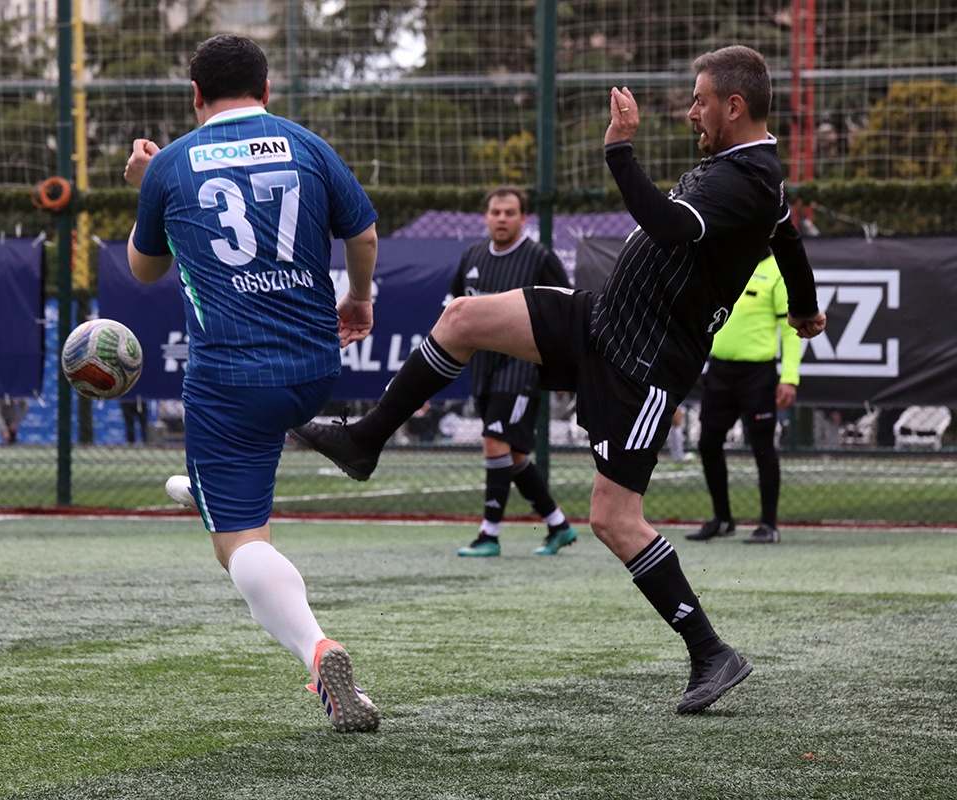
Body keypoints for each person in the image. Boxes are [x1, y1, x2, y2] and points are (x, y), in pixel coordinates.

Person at [292, 45, 827, 714]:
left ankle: (710, 651)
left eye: (700, 101)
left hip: (643, 364)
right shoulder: (748, 170)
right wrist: (804, 306)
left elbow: (667, 226)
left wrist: (619, 150)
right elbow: (787, 238)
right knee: (461, 318)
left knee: (613, 519)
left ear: (734, 106)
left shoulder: (747, 176)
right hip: (602, 320)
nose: (692, 111)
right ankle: (366, 440)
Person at [123, 34, 381, 732]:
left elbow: (144, 270)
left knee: (238, 544)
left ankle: (318, 651)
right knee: (238, 476)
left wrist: (147, 186)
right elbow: (362, 234)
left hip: (230, 379)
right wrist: (359, 300)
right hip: (314, 369)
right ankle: (203, 487)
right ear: (266, 91)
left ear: (195, 96)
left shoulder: (171, 164)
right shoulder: (306, 144)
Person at [446, 186, 577, 558]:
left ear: (523, 218)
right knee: (512, 454)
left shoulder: (539, 258)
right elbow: (453, 305)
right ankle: (558, 525)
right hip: (483, 365)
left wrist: (562, 364)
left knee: (494, 441)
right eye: (496, 212)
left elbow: (566, 308)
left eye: (509, 213)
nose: (501, 219)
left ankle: (489, 534)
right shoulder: (472, 256)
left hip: (522, 366)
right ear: (486, 217)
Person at [687, 253, 802, 545]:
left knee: (762, 447)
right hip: (719, 372)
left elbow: (791, 330)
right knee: (708, 443)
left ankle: (768, 525)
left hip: (757, 376)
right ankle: (723, 519)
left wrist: (789, 377)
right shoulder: (725, 262)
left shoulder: (776, 271)